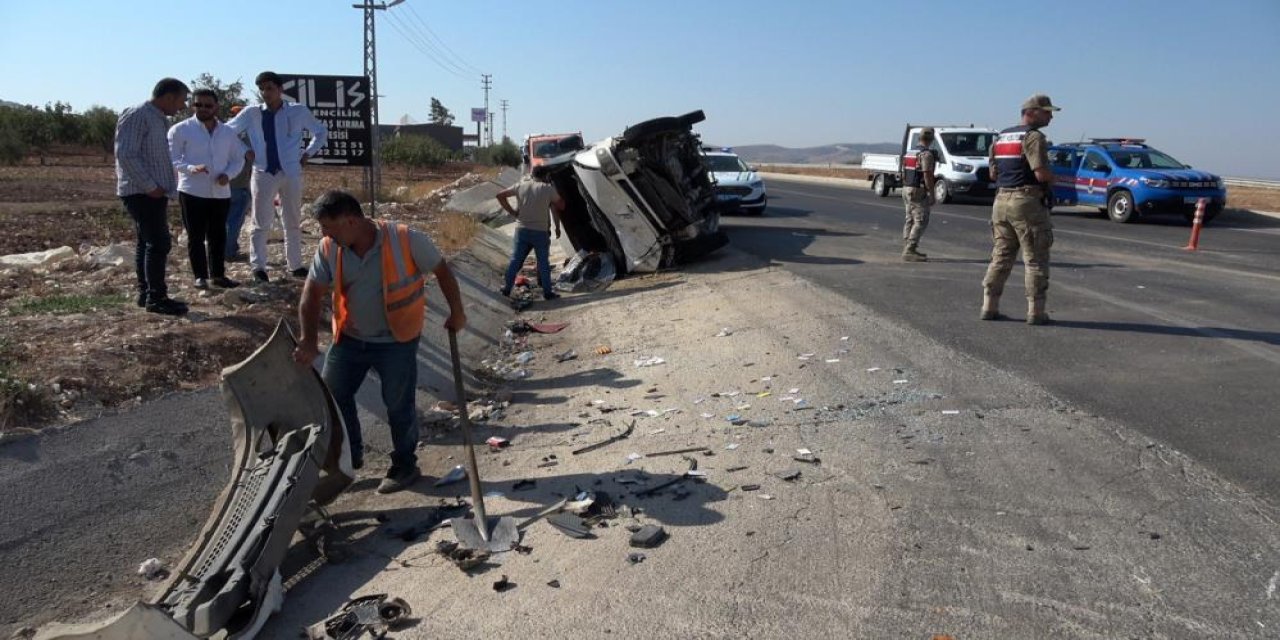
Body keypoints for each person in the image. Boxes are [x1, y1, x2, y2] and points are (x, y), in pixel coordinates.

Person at [293, 190, 467, 494]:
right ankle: (350, 457)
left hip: (396, 340)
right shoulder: (329, 248)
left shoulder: (406, 239)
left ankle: (405, 465)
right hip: (350, 338)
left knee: (399, 405)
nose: (324, 234)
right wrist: (308, 340)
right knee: (333, 395)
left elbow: (442, 271)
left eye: (328, 227)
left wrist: (457, 313)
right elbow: (311, 295)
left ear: (350, 221)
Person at [226, 71, 328, 284]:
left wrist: (308, 153)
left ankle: (295, 265)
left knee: (292, 219)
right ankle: (259, 267)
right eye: (262, 89)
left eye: (270, 88)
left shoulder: (297, 111)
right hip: (263, 172)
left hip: (290, 172)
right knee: (260, 221)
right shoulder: (252, 113)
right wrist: (244, 150)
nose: (266, 93)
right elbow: (226, 132)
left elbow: (320, 131)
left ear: (280, 90)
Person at [982, 94, 1061, 325]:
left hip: (1001, 201)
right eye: (1047, 112)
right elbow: (1040, 173)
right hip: (1026, 201)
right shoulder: (1034, 137)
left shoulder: (1001, 137)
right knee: (1035, 258)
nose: (1051, 117)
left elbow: (993, 174)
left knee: (1001, 256)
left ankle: (989, 306)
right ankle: (1036, 312)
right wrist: (1054, 179)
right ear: (1031, 112)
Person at [115, 77, 190, 316]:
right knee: (159, 243)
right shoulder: (138, 115)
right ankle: (157, 298)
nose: (183, 106)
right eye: (181, 100)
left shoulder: (158, 119)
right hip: (141, 192)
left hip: (153, 192)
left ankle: (146, 293)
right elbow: (126, 154)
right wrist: (149, 186)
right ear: (168, 97)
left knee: (146, 242)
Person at [167, 88, 245, 289]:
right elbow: (172, 159)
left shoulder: (228, 132)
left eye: (208, 105)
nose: (203, 108)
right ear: (193, 106)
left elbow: (238, 159)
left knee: (218, 236)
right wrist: (190, 168)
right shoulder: (180, 130)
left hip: (220, 192)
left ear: (216, 107)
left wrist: (228, 175)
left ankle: (218, 275)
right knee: (195, 236)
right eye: (198, 104)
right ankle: (200, 277)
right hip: (192, 191)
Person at [495, 165, 564, 301]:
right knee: (543, 262)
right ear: (545, 176)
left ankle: (507, 289)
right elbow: (561, 205)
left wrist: (513, 212)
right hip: (540, 232)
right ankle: (548, 293)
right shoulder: (547, 188)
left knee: (515, 260)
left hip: (522, 230)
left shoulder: (521, 185)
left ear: (532, 175)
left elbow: (500, 196)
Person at [901, 127, 937, 262]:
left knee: (909, 218)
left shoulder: (910, 153)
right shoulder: (926, 155)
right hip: (917, 189)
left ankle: (907, 245)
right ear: (931, 139)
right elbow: (927, 175)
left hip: (907, 188)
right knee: (921, 220)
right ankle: (910, 248)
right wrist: (931, 193)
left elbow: (904, 172)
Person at [224, 105, 254, 263]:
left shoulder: (222, 133)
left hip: (222, 184)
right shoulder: (248, 135)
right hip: (239, 184)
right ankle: (228, 252)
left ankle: (223, 249)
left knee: (223, 220)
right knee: (234, 221)